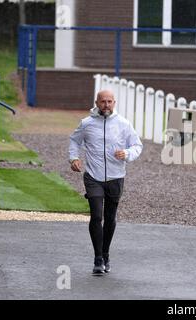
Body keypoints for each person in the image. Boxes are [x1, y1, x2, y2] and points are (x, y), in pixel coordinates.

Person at [69, 90, 143, 275]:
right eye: (103, 101)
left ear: (114, 103)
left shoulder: (123, 124)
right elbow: (74, 140)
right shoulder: (87, 123)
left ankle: (106, 254)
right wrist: (74, 158)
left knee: (110, 218)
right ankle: (98, 259)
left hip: (116, 177)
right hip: (93, 177)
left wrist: (126, 154)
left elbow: (137, 145)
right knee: (96, 216)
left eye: (110, 101)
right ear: (97, 102)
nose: (106, 105)